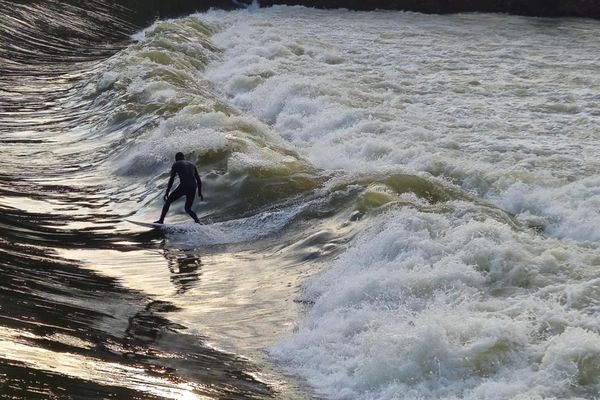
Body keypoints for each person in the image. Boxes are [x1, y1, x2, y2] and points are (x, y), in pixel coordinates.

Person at [155, 152, 204, 224]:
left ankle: (161, 220)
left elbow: (172, 179)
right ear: (183, 158)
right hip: (193, 186)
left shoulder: (176, 164)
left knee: (168, 201)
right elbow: (199, 180)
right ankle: (198, 221)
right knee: (188, 208)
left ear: (176, 159)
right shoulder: (192, 165)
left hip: (184, 185)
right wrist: (199, 192)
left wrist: (167, 191)